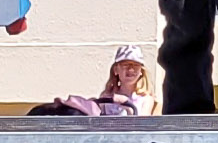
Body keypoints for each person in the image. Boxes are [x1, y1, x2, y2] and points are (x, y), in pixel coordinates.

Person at [26, 45, 160, 117]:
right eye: (125, 65)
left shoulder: (145, 98)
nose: (131, 69)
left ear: (141, 71)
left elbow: (143, 126)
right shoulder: (107, 97)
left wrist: (127, 106)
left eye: (135, 66)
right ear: (116, 70)